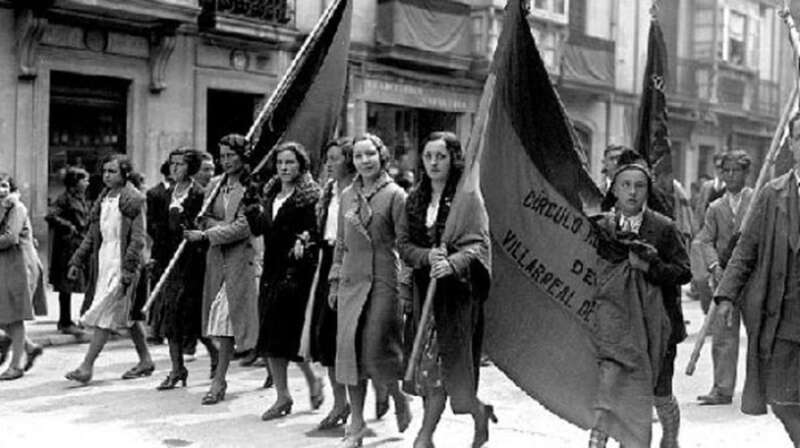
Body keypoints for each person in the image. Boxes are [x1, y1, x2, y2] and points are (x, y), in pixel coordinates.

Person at [398, 132, 494, 448]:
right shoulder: (414, 198)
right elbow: (403, 244)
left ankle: (429, 435)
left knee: (446, 374)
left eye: (441, 156)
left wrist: (452, 263)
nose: (434, 162)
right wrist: (426, 256)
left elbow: (479, 243)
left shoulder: (468, 198)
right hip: (423, 294)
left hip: (456, 297)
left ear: (453, 159)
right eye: (428, 156)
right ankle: (470, 417)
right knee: (427, 372)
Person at [589, 161, 691, 448]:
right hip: (617, 327)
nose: (632, 192)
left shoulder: (663, 227)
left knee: (659, 393)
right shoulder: (602, 228)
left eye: (640, 186)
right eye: (625, 185)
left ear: (648, 190)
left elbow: (684, 272)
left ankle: (670, 437)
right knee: (609, 395)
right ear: (614, 189)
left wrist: (649, 266)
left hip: (658, 328)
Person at [714, 114, 800, 445]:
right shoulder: (771, 194)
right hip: (781, 320)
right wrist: (725, 296)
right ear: (790, 144)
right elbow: (745, 250)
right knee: (781, 400)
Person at [328, 133, 412, 448]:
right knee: (349, 352)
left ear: (381, 157)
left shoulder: (395, 195)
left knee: (377, 351)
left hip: (383, 281)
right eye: (359, 156)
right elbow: (341, 243)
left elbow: (404, 245)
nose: (365, 161)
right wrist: (334, 281)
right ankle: (357, 424)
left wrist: (405, 289)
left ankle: (398, 395)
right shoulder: (347, 194)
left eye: (370, 155)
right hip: (351, 281)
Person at [242, 141, 324, 420]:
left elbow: (316, 229)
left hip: (297, 272)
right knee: (270, 336)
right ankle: (284, 395)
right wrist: (252, 207)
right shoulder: (270, 192)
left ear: (301, 165)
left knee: (286, 336)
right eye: (279, 163)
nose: (284, 168)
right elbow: (260, 230)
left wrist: (305, 240)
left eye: (290, 162)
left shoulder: (311, 195)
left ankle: (309, 381)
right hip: (272, 270)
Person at [64, 155, 154, 384]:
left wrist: (128, 270)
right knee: (127, 315)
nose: (106, 175)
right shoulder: (103, 198)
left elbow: (138, 238)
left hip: (123, 262)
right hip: (104, 260)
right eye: (104, 171)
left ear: (125, 174)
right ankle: (146, 360)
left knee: (106, 312)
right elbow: (93, 237)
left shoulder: (134, 200)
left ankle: (86, 366)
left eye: (112, 171)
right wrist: (77, 261)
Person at [184, 133, 259, 405]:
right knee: (220, 320)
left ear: (243, 156)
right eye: (222, 156)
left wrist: (208, 234)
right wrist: (209, 227)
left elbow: (244, 226)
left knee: (228, 319)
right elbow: (203, 218)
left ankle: (219, 380)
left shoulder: (252, 187)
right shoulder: (214, 185)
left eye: (232, 155)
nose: (226, 161)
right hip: (218, 259)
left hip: (245, 261)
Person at [153, 148, 219, 390]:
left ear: (190, 168)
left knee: (191, 317)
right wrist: (155, 258)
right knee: (170, 315)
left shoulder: (200, 195)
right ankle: (177, 369)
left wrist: (191, 229)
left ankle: (215, 354)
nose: (175, 168)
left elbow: (204, 229)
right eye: (172, 164)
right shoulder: (165, 194)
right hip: (169, 263)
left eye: (180, 164)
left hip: (192, 263)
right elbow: (158, 229)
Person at [305, 137, 357, 430]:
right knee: (325, 337)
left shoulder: (357, 191)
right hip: (327, 261)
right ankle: (340, 402)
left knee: (348, 339)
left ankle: (383, 395)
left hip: (352, 263)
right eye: (328, 158)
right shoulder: (328, 192)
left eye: (335, 158)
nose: (328, 163)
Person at [694, 150, 753, 406]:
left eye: (736, 170)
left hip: (753, 280)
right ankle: (722, 388)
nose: (730, 175)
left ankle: (761, 389)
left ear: (746, 173)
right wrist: (714, 264)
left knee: (759, 335)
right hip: (724, 281)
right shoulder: (715, 207)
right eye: (725, 171)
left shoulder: (758, 200)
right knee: (723, 335)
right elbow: (704, 239)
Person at [0, 173, 47, 380]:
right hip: (7, 267)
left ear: (10, 188)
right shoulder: (2, 208)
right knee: (5, 314)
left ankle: (16, 365)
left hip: (20, 266)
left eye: (3, 186)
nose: (0, 190)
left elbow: (10, 238)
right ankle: (29, 347)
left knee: (14, 315)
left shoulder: (16, 208)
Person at [46, 167, 90, 335]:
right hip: (67, 247)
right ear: (75, 182)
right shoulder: (64, 199)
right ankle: (64, 321)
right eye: (83, 180)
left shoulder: (81, 198)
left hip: (78, 244)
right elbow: (50, 216)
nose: (87, 183)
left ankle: (68, 320)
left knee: (73, 283)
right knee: (66, 284)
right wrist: (69, 227)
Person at [145, 160, 173, 345]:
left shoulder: (185, 191)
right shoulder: (155, 193)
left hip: (178, 246)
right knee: (158, 286)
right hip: (162, 247)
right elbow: (150, 223)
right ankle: (155, 329)